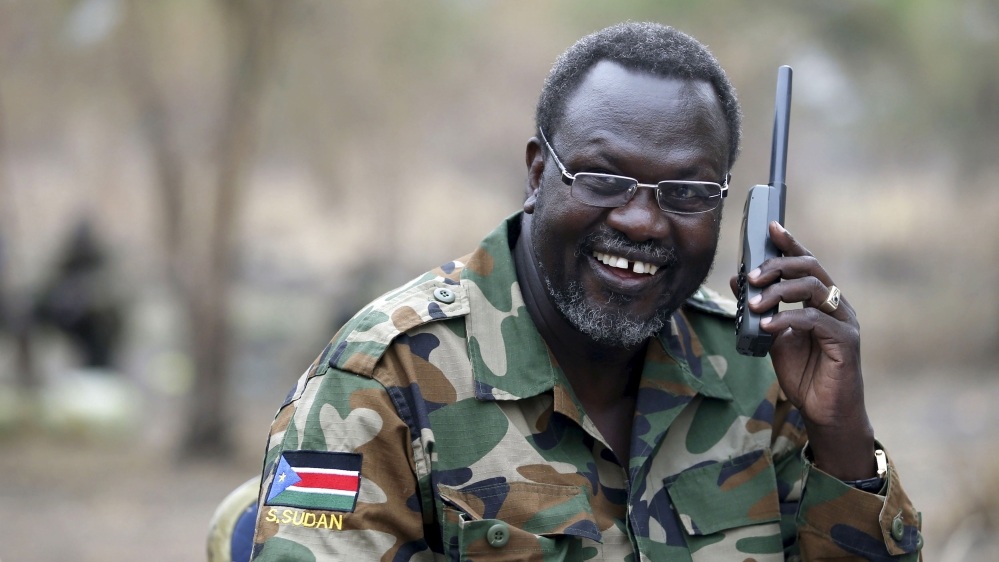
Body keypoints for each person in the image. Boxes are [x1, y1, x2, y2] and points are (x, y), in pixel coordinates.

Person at [249, 23, 922, 561]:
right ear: (536, 174)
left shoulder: (758, 373)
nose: (642, 221)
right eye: (603, 178)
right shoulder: (382, 380)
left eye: (686, 192)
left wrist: (842, 436)